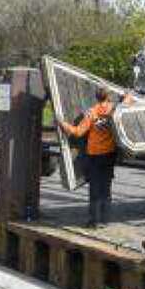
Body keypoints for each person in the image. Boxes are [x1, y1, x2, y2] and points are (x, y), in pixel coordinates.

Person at [59, 87, 117, 227]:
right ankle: (105, 220)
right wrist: (127, 96)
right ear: (108, 97)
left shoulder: (92, 113)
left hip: (95, 156)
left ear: (96, 97)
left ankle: (94, 221)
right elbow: (128, 102)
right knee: (106, 187)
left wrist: (63, 124)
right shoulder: (115, 110)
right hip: (109, 154)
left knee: (95, 189)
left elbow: (78, 132)